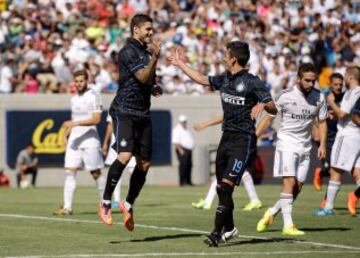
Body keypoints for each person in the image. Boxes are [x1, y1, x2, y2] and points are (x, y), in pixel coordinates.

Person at [168, 40, 277, 247]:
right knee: (221, 189)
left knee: (226, 187)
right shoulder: (225, 79)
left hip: (243, 141)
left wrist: (262, 103)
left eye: (226, 55)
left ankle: (216, 233)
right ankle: (230, 228)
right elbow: (201, 79)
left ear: (234, 59)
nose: (223, 58)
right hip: (225, 139)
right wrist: (180, 64)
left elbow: (274, 109)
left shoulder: (252, 82)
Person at [99, 14, 163, 231]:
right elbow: (142, 77)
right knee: (125, 156)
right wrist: (155, 58)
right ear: (135, 30)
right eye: (147, 29)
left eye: (152, 29)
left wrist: (154, 88)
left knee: (144, 163)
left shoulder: (146, 51)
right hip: (124, 110)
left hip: (143, 112)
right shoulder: (128, 50)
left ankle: (127, 204)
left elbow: (147, 81)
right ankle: (106, 202)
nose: (151, 33)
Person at [256, 63, 328, 236]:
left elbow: (323, 121)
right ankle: (288, 225)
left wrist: (323, 144)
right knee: (289, 182)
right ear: (298, 79)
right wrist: (254, 136)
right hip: (286, 144)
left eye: (313, 81)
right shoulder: (285, 96)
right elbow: (269, 118)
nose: (311, 84)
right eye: (307, 80)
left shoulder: (319, 97)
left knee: (297, 188)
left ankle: (272, 212)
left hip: (305, 147)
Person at [53, 69, 106, 215]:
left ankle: (105, 204)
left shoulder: (94, 95)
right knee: (70, 171)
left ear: (87, 80)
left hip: (90, 139)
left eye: (81, 81)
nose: (78, 84)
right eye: (76, 81)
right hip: (75, 140)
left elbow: (96, 119)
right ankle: (67, 207)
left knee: (95, 173)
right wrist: (66, 134)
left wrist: (74, 124)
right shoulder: (73, 99)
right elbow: (73, 120)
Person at [314, 66, 360, 216]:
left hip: (346, 136)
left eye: (346, 76)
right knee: (358, 173)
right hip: (357, 137)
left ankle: (328, 207)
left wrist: (331, 102)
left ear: (350, 77)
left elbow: (342, 114)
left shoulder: (352, 92)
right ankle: (354, 199)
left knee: (335, 170)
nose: (344, 79)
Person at [191, 114, 262, 211]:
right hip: (237, 142)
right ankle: (255, 200)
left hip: (242, 143)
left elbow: (227, 116)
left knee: (228, 173)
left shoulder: (243, 106)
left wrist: (204, 124)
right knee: (240, 173)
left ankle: (208, 202)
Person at [312, 73, 344, 192]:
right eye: (335, 84)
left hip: (341, 137)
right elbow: (314, 118)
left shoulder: (345, 98)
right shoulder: (323, 98)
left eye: (341, 84)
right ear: (330, 85)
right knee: (331, 170)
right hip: (326, 139)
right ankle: (327, 201)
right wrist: (316, 132)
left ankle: (321, 173)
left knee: (339, 170)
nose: (338, 87)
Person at [102, 112, 136, 209]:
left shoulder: (136, 104)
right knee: (117, 171)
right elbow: (110, 125)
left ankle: (129, 200)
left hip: (131, 140)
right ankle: (116, 200)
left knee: (132, 171)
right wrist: (105, 143)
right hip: (117, 141)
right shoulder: (115, 106)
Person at [172, 114, 194, 186]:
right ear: (180, 122)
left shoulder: (185, 130)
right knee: (183, 166)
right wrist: (180, 150)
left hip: (188, 150)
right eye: (183, 122)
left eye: (185, 122)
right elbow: (175, 142)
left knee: (189, 165)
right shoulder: (177, 130)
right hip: (182, 149)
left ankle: (188, 181)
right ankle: (182, 182)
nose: (184, 123)